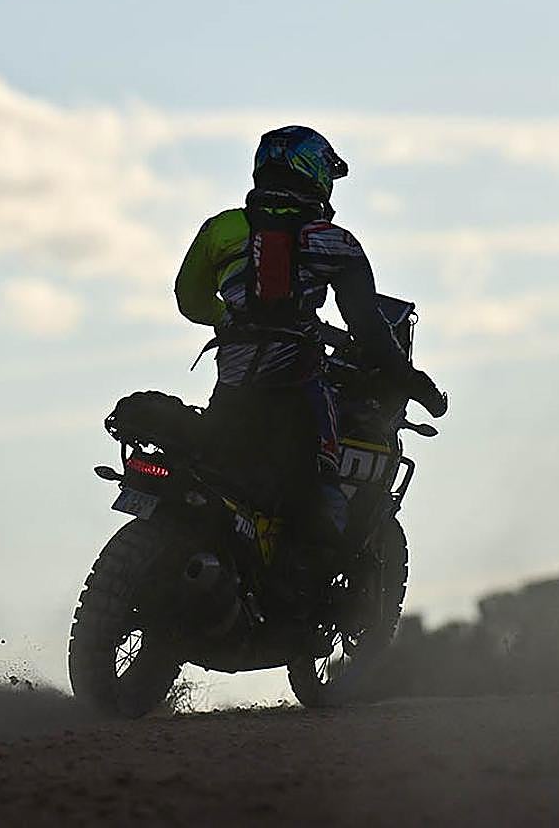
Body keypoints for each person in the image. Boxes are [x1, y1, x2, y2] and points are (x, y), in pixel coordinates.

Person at [173, 125, 446, 584]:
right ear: (315, 172)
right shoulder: (334, 242)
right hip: (298, 393)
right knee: (323, 497)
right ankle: (297, 593)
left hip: (233, 388)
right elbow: (369, 329)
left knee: (214, 462)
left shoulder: (221, 228)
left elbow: (190, 300)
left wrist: (232, 319)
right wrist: (415, 382)